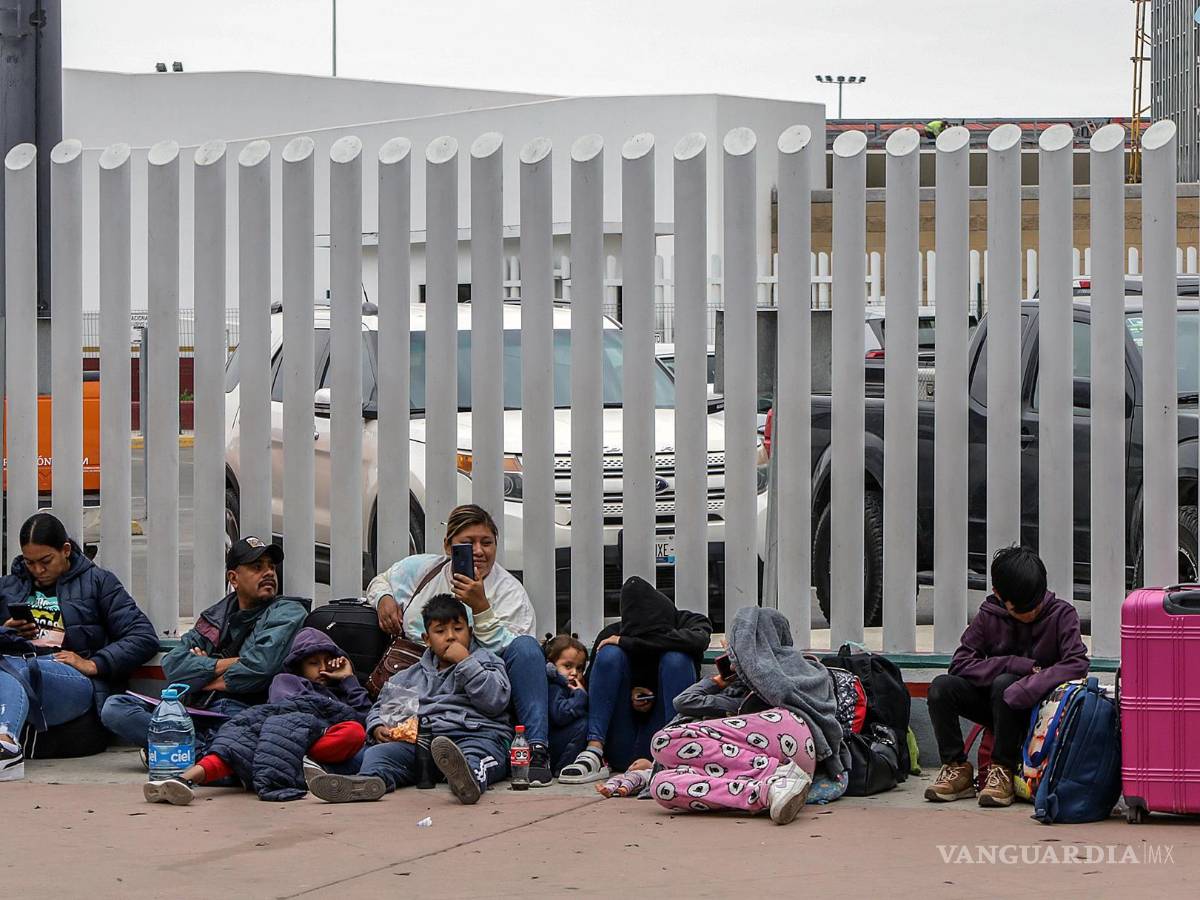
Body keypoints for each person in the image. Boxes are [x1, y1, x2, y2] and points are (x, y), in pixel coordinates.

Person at [368, 504, 554, 785]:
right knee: (377, 756)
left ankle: (536, 750)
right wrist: (384, 598)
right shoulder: (422, 569)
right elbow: (381, 580)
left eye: (487, 542)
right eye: (467, 543)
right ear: (448, 546)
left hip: (479, 689)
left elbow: (510, 655)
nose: (478, 551)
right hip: (422, 678)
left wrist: (480, 609)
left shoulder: (510, 592)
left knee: (528, 648)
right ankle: (368, 780)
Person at [101, 536, 309, 757]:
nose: (268, 573)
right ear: (234, 578)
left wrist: (202, 679)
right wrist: (228, 663)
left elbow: (261, 667)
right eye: (257, 567)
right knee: (115, 707)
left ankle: (177, 751)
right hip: (196, 711)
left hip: (242, 713)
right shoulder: (216, 616)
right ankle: (197, 752)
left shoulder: (287, 611)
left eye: (271, 568)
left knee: (239, 737)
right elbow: (173, 667)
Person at [307, 594, 512, 806]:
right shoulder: (410, 675)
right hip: (422, 744)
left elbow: (495, 702)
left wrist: (466, 662)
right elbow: (383, 707)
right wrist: (377, 726)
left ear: (469, 632)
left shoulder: (487, 662)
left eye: (458, 629)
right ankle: (368, 782)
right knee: (379, 754)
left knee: (476, 758)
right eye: (440, 631)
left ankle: (467, 780)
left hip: (476, 735)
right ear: (427, 639)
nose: (451, 637)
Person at [924, 546, 1089, 808]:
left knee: (1006, 684)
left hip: (1040, 710)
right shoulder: (989, 616)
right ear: (999, 596)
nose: (1031, 613)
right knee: (942, 687)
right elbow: (960, 664)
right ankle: (957, 767)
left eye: (1035, 605)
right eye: (1022, 609)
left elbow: (1077, 663)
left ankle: (1002, 770)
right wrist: (1015, 664)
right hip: (998, 706)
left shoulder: (1061, 614)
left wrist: (1029, 684)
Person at [0, 513, 157, 779]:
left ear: (66, 550)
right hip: (16, 671)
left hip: (72, 679)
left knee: (22, 668)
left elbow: (143, 636)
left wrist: (94, 663)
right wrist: (4, 631)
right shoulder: (9, 587)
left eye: (45, 561)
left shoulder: (98, 582)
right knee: (14, 666)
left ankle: (5, 743)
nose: (38, 570)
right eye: (30, 562)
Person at [143, 628, 371, 806]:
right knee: (237, 745)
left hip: (310, 745)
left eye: (325, 662)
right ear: (299, 667)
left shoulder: (340, 689)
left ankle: (300, 766)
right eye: (313, 663)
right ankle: (181, 780)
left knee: (354, 733)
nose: (321, 669)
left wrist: (348, 679)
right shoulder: (287, 680)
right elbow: (289, 714)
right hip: (284, 734)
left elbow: (363, 717)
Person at [558, 576, 711, 784]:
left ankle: (673, 755)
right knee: (609, 653)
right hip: (622, 733)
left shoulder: (691, 622)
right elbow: (599, 686)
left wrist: (629, 642)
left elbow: (698, 641)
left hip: (665, 730)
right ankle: (594, 752)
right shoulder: (614, 633)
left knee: (677, 658)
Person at [543, 634, 588, 775]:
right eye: (567, 666)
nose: (574, 673)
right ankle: (562, 768)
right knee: (584, 725)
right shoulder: (555, 686)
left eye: (579, 668)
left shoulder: (569, 686)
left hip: (561, 740)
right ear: (552, 665)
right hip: (552, 744)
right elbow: (560, 714)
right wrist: (580, 696)